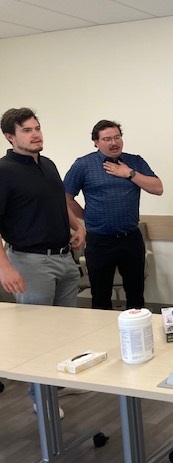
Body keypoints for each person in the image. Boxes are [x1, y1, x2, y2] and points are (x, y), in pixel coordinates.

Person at [0, 107, 85, 418]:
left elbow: (57, 201)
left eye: (37, 128)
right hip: (29, 262)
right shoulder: (5, 171)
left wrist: (78, 226)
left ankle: (56, 384)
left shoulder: (47, 164)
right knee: (37, 336)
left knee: (63, 331)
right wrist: (5, 267)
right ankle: (39, 396)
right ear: (10, 137)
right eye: (26, 130)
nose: (35, 134)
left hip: (64, 258)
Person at [64, 120, 163, 310]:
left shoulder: (134, 161)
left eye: (117, 137)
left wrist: (129, 173)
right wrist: (86, 216)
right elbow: (66, 197)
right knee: (100, 297)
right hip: (99, 242)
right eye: (107, 139)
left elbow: (158, 188)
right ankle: (103, 338)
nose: (113, 143)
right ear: (96, 142)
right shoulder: (83, 165)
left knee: (136, 295)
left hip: (131, 238)